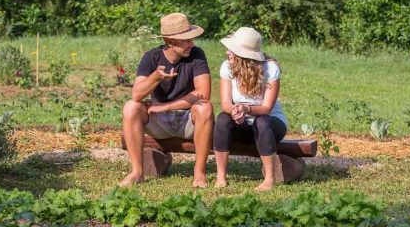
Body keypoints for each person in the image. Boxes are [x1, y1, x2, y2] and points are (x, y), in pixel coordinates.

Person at [120, 12, 213, 188]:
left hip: (187, 120)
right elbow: (137, 95)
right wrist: (156, 77)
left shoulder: (197, 54)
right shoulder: (152, 57)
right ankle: (137, 172)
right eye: (186, 40)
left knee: (204, 107)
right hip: (160, 124)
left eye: (191, 38)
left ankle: (199, 173)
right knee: (130, 107)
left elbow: (203, 93)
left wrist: (164, 107)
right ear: (170, 41)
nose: (191, 43)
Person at [213, 27, 288, 191]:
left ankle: (269, 178)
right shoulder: (227, 67)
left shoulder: (270, 68)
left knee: (262, 121)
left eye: (231, 50)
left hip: (269, 124)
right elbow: (225, 103)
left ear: (243, 56)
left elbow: (266, 108)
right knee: (222, 119)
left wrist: (246, 108)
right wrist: (234, 110)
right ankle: (220, 176)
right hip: (243, 123)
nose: (227, 53)